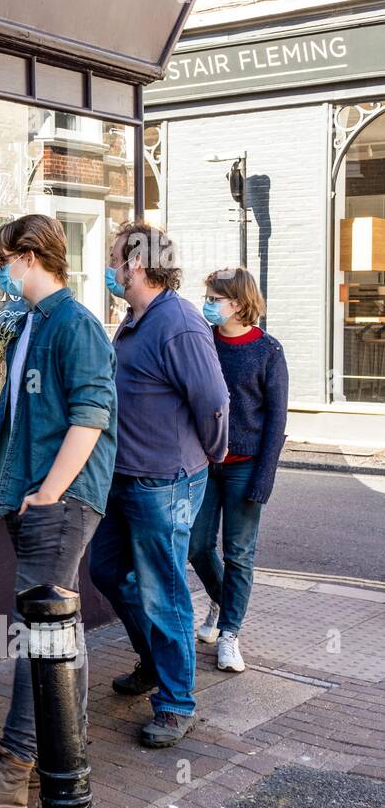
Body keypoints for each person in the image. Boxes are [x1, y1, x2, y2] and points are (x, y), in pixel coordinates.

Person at [0, 214, 117, 808]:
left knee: (42, 635)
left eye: (3, 259)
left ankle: (12, 768)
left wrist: (49, 493)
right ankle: (58, 759)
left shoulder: (74, 325)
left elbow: (92, 416)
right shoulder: (34, 325)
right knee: (58, 635)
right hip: (37, 497)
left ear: (31, 257)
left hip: (57, 500)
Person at [91, 221, 230, 748]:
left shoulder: (179, 323)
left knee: (163, 589)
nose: (110, 266)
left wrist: (210, 454)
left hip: (163, 483)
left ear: (138, 265)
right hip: (123, 478)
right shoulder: (134, 319)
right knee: (109, 571)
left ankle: (176, 703)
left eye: (115, 258)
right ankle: (153, 661)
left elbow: (214, 402)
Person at [189, 267, 288, 673]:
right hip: (204, 464)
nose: (208, 304)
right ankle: (221, 599)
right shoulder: (203, 343)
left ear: (239, 303)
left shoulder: (268, 350)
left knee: (239, 554)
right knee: (195, 545)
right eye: (208, 297)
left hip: (246, 467)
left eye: (214, 298)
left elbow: (277, 420)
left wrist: (265, 477)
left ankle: (230, 633)